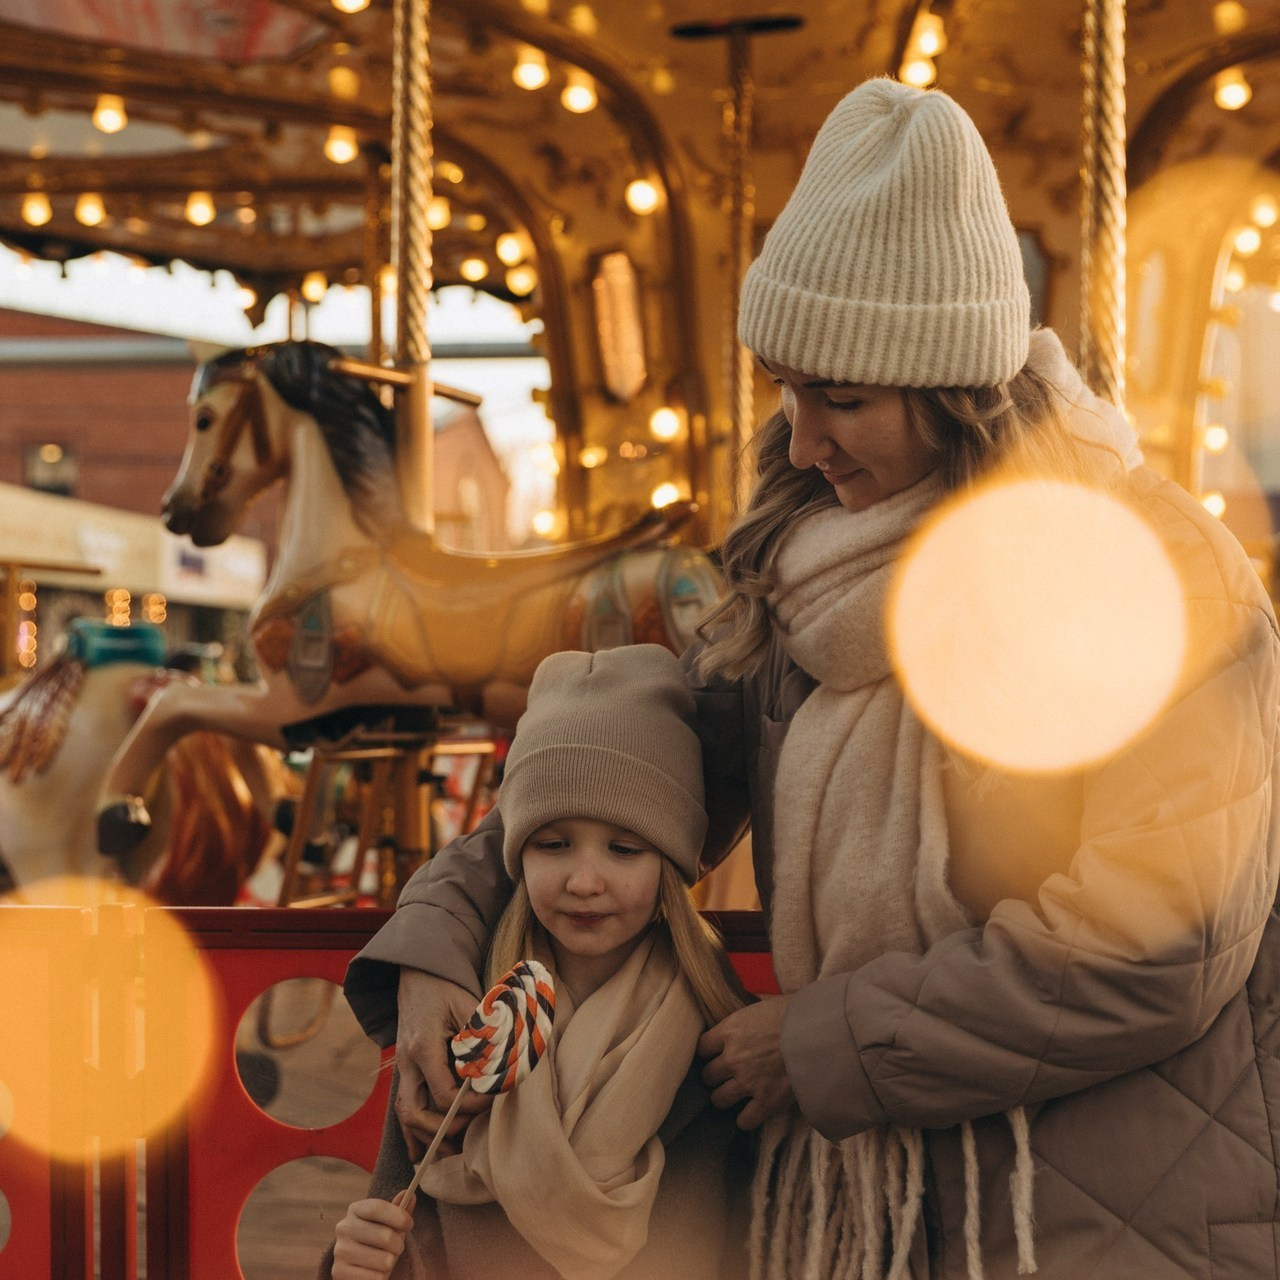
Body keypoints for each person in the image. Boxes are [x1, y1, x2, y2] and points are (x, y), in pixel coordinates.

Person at [343, 78, 1280, 1280]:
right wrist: (440, 936)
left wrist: (831, 1038)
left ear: (956, 393)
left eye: (841, 397)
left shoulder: (1157, 573)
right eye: (785, 389)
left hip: (1095, 1211)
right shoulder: (805, 582)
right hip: (865, 1212)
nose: (799, 440)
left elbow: (1156, 943)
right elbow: (622, 768)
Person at [325, 644, 751, 1280]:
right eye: (552, 844)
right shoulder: (463, 1018)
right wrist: (353, 1264)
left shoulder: (722, 1047)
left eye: (624, 848)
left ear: (673, 863)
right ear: (516, 854)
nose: (584, 880)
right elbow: (405, 1229)